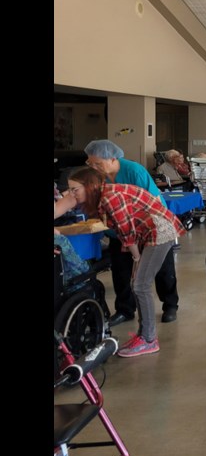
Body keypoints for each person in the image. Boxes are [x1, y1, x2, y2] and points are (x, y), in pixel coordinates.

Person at [67, 167, 185, 358]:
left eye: (75, 189)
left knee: (140, 285)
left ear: (90, 186)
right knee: (137, 284)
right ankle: (143, 334)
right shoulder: (102, 195)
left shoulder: (109, 197)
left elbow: (127, 232)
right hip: (148, 231)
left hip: (160, 231)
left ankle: (149, 339)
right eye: (70, 190)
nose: (72, 194)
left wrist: (137, 258)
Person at [84, 139, 180, 326]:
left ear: (112, 159)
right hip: (118, 231)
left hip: (150, 228)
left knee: (162, 269)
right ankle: (125, 309)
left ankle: (170, 305)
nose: (93, 167)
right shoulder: (97, 176)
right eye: (90, 163)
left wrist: (135, 239)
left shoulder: (134, 171)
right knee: (121, 271)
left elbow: (154, 203)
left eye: (97, 163)